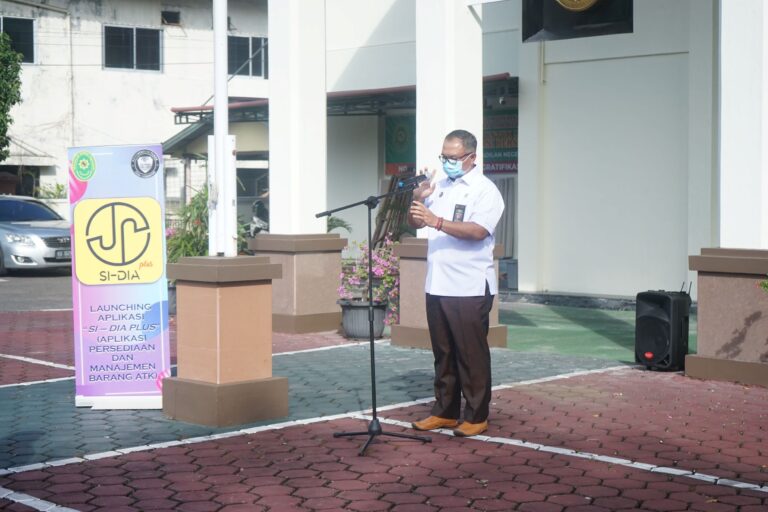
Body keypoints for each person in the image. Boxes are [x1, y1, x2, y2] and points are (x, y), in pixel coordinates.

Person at [407, 129, 505, 437]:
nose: (447, 162)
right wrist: (418, 198)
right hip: (437, 282)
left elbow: (478, 231)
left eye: (453, 157)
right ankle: (445, 411)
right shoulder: (440, 187)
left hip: (468, 285)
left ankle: (476, 415)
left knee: (470, 353)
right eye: (444, 157)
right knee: (444, 352)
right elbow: (415, 221)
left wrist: (435, 221)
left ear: (472, 157)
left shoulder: (484, 190)